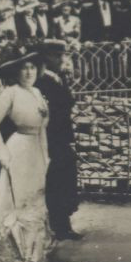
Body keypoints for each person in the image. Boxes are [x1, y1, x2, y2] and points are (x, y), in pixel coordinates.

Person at [0, 46, 56, 262]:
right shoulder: (10, 93)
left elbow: (42, 128)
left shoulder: (37, 93)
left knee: (36, 199)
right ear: (15, 72)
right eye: (23, 68)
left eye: (32, 67)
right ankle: (14, 260)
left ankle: (35, 258)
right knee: (17, 201)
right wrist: (2, 150)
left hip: (36, 149)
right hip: (19, 149)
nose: (28, 72)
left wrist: (46, 155)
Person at [37, 39, 82, 241]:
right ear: (47, 57)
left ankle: (62, 224)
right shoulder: (44, 80)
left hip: (60, 135)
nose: (61, 59)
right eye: (57, 55)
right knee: (57, 180)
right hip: (51, 136)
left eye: (62, 55)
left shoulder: (57, 77)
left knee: (62, 179)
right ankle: (59, 225)